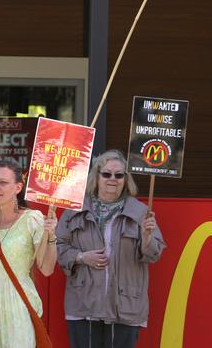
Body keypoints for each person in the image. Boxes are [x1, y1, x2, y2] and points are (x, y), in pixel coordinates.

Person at [55, 149, 166, 348]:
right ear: (96, 176)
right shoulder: (74, 209)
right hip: (84, 304)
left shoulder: (140, 212)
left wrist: (147, 238)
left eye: (119, 175)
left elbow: (154, 254)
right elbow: (58, 246)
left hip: (124, 307)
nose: (112, 179)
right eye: (106, 174)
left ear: (125, 179)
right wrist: (81, 257)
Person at [0, 159, 58, 347]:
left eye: (3, 182)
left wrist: (50, 235)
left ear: (18, 187)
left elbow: (47, 268)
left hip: (18, 303)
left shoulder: (32, 219)